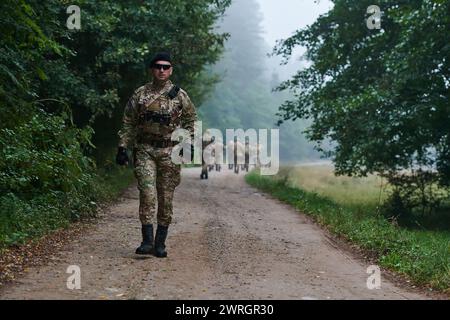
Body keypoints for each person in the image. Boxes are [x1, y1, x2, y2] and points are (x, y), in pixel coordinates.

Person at [116, 52, 197, 258]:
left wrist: (188, 143)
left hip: (169, 152)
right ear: (152, 69)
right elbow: (128, 121)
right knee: (147, 193)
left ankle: (160, 243)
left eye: (166, 67)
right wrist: (122, 147)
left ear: (171, 70)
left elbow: (190, 120)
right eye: (158, 66)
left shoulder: (179, 95)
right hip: (145, 149)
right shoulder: (141, 94)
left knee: (165, 197)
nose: (162, 70)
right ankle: (146, 241)